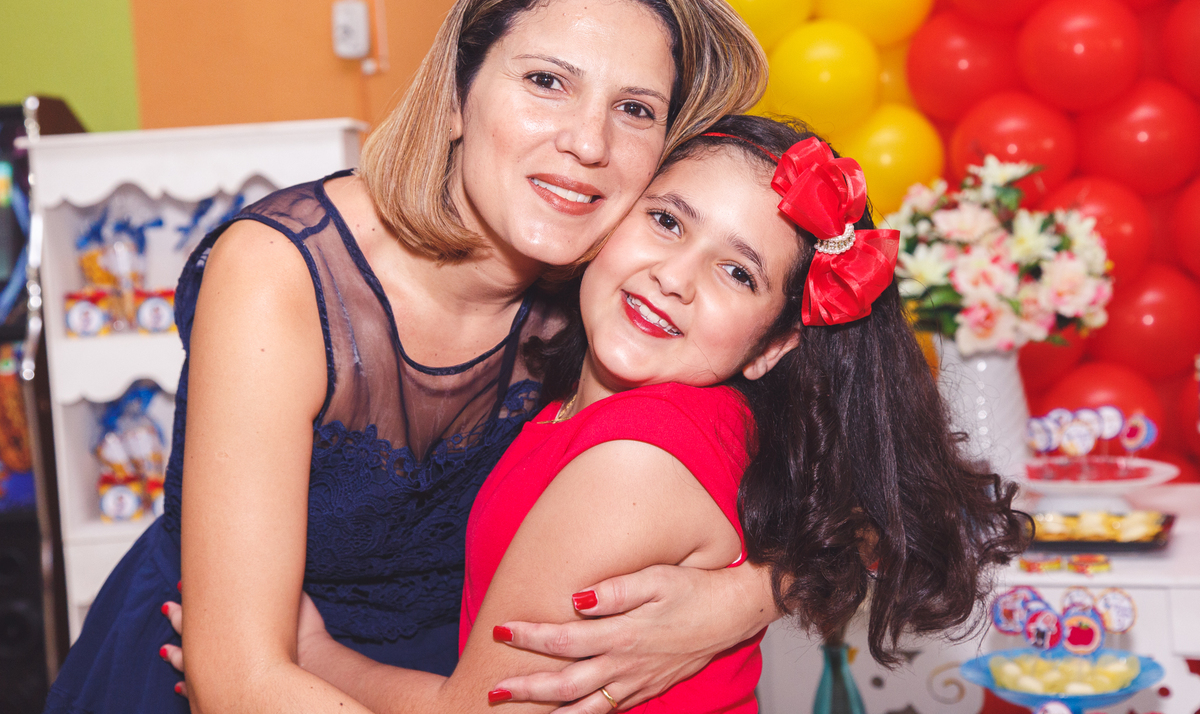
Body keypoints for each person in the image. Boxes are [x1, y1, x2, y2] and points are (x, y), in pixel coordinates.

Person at [42, 0, 772, 714]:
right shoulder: (280, 275)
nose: (588, 141)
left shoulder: (622, 295)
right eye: (547, 82)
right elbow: (237, 678)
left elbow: (866, 490)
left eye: (634, 108)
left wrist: (738, 602)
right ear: (458, 96)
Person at [191, 115, 1029, 713]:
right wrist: (762, 590)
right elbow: (847, 504)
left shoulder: (637, 457)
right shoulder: (614, 397)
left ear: (771, 349)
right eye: (665, 221)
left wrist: (314, 656)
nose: (675, 275)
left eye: (736, 273)